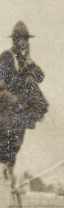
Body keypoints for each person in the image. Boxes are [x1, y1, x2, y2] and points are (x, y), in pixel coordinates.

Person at [0, 22, 49, 173]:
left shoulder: (25, 61)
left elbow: (40, 77)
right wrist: (12, 97)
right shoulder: (7, 57)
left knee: (16, 140)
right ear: (14, 40)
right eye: (21, 39)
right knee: (7, 137)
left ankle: (8, 166)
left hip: (21, 106)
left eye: (26, 39)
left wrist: (29, 60)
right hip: (7, 100)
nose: (24, 42)